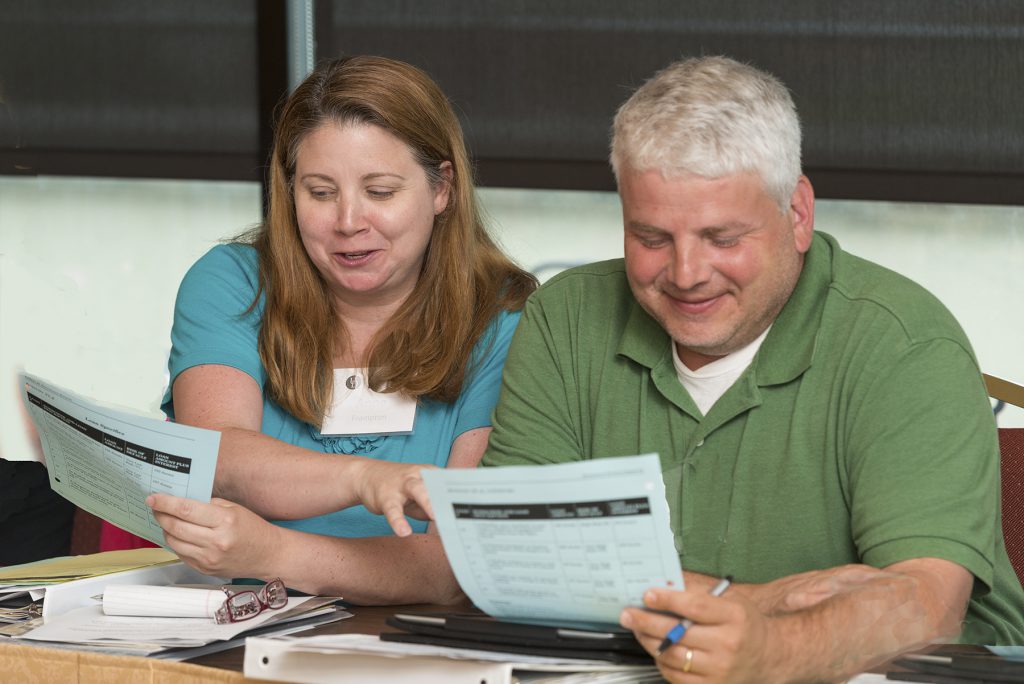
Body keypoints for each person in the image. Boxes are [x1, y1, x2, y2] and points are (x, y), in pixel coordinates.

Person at [483, 55, 1024, 682]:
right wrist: (761, 602)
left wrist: (775, 650)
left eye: (722, 238)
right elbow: (514, 563)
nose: (685, 274)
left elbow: (927, 603)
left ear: (797, 214)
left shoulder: (906, 343)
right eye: (652, 237)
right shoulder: (564, 316)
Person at [146, 55, 535, 604]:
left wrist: (271, 554)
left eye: (380, 191)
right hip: (233, 630)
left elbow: (456, 566)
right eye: (321, 192)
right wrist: (363, 479)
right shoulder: (233, 280)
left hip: (409, 644)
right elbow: (217, 457)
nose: (349, 221)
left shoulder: (504, 316)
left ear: (442, 187)